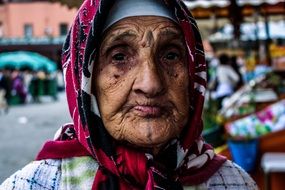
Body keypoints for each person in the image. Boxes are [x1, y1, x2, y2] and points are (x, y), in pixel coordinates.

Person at [0, 0, 257, 189]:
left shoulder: (233, 183)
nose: (150, 84)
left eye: (170, 55)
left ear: (193, 73)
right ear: (85, 81)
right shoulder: (34, 185)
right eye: (120, 57)